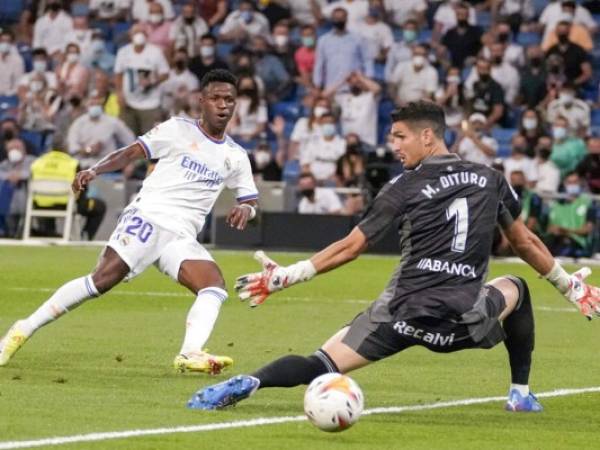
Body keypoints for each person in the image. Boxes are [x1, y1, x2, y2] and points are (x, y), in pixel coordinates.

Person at [189, 101, 600, 412]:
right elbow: (525, 242)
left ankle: (250, 382)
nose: (394, 145)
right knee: (518, 288)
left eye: (400, 136)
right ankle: (521, 394)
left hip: (401, 315)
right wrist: (570, 285)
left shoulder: (401, 187)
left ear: (428, 136)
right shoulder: (491, 180)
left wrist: (288, 276)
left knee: (321, 361)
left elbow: (352, 246)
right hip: (463, 318)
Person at [0, 69, 259, 374]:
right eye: (216, 98)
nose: (223, 105)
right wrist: (95, 170)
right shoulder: (178, 129)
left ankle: (190, 353)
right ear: (201, 101)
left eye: (229, 99)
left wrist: (247, 210)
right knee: (101, 281)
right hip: (149, 216)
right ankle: (22, 329)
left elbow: (250, 200)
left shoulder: (236, 156)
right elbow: (132, 152)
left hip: (180, 235)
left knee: (214, 286)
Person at [114, 25, 170, 136]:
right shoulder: (123, 52)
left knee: (150, 139)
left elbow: (165, 73)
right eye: (136, 32)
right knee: (128, 139)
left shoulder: (155, 52)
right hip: (128, 103)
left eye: (142, 32)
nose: (139, 35)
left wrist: (152, 80)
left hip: (150, 104)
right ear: (130, 35)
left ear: (147, 35)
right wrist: (119, 93)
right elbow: (118, 74)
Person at [545, 171, 595, 257]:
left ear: (580, 183)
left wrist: (566, 231)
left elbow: (588, 229)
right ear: (564, 184)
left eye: (575, 182)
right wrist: (554, 230)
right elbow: (549, 228)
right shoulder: (556, 205)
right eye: (569, 182)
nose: (572, 185)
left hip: (577, 243)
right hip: (556, 240)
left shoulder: (588, 203)